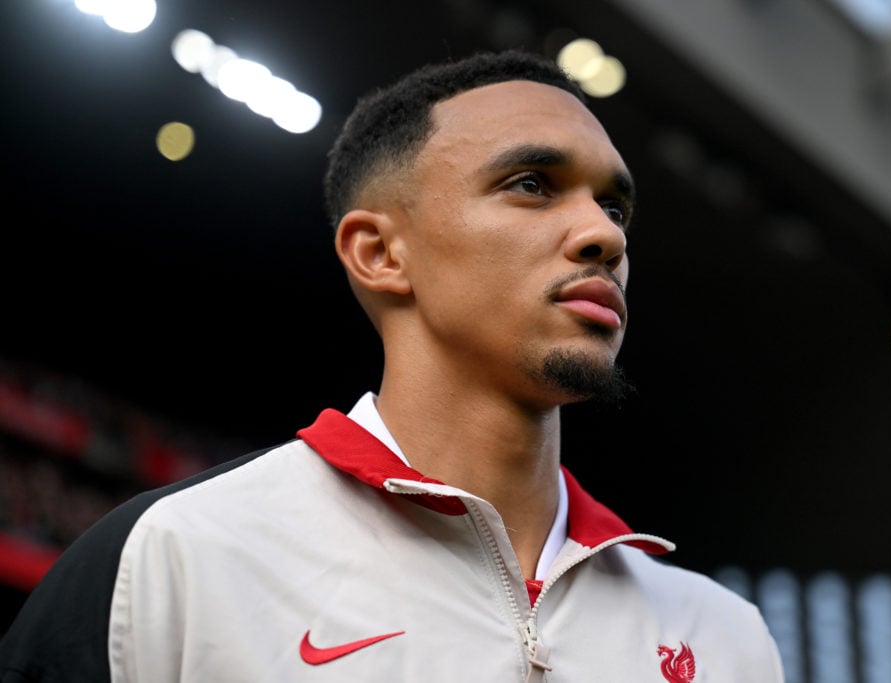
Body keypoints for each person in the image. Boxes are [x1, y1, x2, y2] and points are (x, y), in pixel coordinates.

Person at [0, 49, 784, 682]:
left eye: (613, 206)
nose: (603, 236)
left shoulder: (720, 637)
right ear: (379, 253)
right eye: (532, 185)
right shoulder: (172, 560)